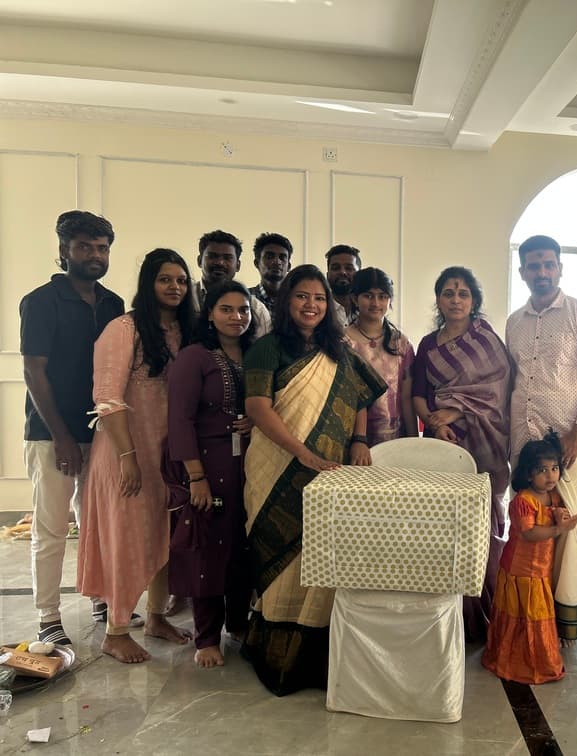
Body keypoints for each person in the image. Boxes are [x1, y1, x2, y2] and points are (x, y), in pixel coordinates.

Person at [242, 264, 385, 695]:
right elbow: (258, 407)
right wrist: (302, 452)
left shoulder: (337, 349)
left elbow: (360, 395)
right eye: (302, 296)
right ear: (287, 301)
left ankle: (317, 659)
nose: (311, 305)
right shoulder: (268, 348)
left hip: (330, 470)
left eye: (319, 298)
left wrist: (359, 439)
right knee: (277, 550)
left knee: (322, 555)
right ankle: (274, 657)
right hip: (276, 465)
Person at [77, 248, 197, 663]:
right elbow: (107, 399)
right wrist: (128, 456)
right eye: (165, 279)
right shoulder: (123, 329)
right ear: (149, 284)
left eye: (181, 280)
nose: (175, 287)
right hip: (126, 452)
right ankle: (116, 630)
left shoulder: (186, 332)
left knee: (164, 536)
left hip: (169, 456)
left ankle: (157, 616)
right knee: (126, 537)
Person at [20, 210, 125, 646]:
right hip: (51, 434)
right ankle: (48, 615)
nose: (94, 255)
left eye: (101, 248)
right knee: (52, 527)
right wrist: (62, 435)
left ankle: (100, 597)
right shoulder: (41, 301)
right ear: (64, 250)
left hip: (101, 432)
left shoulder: (113, 304)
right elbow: (33, 370)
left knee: (96, 521)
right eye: (84, 247)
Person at [506, 234, 577, 645]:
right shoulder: (515, 321)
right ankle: (525, 613)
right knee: (528, 525)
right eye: (534, 265)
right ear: (523, 272)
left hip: (570, 447)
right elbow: (516, 380)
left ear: (560, 268)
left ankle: (561, 618)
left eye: (549, 264)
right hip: (526, 445)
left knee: (565, 527)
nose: (542, 272)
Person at [412, 266, 514, 641]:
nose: (456, 300)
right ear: (438, 299)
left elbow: (498, 390)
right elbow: (419, 395)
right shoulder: (428, 345)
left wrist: (456, 410)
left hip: (485, 442)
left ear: (474, 301)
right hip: (444, 443)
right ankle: (451, 614)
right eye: (448, 293)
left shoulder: (486, 339)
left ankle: (487, 610)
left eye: (463, 293)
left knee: (482, 527)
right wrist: (436, 423)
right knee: (448, 526)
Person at [165, 281, 256, 668]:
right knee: (208, 550)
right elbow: (179, 419)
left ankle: (238, 624)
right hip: (207, 464)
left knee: (241, 546)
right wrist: (196, 476)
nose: (237, 317)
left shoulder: (255, 355)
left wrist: (255, 419)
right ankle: (205, 637)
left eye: (243, 310)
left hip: (248, 465)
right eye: (227, 309)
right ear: (210, 313)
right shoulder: (194, 356)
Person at [482, 433, 577, 684]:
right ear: (527, 474)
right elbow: (530, 533)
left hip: (540, 571)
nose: (550, 476)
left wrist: (562, 516)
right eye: (542, 470)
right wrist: (559, 529)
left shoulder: (555, 496)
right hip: (520, 570)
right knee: (522, 616)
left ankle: (539, 660)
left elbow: (557, 513)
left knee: (535, 616)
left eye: (554, 468)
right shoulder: (523, 501)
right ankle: (519, 662)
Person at [344, 267, 418, 445]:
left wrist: (414, 442)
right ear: (355, 298)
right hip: (352, 435)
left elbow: (407, 398)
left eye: (382, 296)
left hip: (394, 435)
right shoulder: (343, 341)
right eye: (368, 296)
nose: (376, 303)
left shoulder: (401, 343)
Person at [194, 229, 271, 339]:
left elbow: (262, 350)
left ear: (238, 265)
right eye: (213, 256)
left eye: (227, 258)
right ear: (199, 260)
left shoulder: (255, 309)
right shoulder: (186, 297)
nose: (220, 263)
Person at [249, 232, 292, 312]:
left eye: (282, 258)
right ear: (257, 263)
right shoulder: (245, 298)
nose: (277, 262)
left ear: (289, 266)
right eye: (269, 257)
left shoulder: (295, 301)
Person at [324, 243, 361, 327]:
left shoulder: (368, 309)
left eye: (349, 268)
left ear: (359, 274)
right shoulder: (319, 310)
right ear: (327, 275)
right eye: (335, 268)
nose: (342, 272)